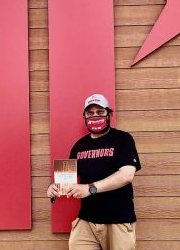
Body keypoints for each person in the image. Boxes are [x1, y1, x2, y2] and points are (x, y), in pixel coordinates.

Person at [47, 93, 141, 250]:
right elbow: (66, 178)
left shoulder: (123, 139)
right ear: (84, 117)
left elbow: (127, 175)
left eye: (100, 112)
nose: (95, 116)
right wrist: (54, 186)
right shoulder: (79, 146)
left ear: (109, 114)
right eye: (90, 113)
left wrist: (90, 188)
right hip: (86, 220)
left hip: (118, 220)